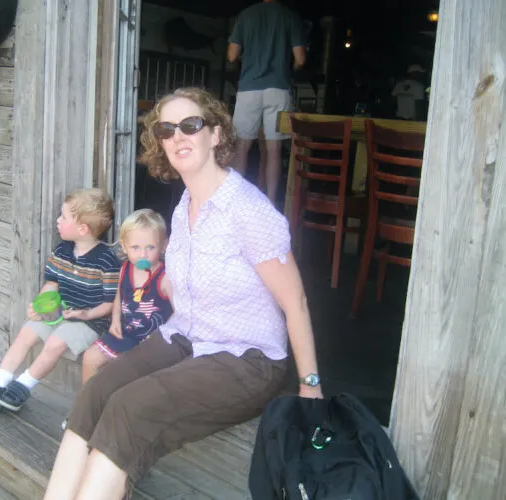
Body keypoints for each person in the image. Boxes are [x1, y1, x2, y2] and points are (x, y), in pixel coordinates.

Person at [44, 88, 323, 500]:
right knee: (97, 392)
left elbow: (295, 302)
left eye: (190, 125)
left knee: (129, 407)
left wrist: (311, 386)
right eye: (166, 129)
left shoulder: (247, 209)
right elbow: (176, 284)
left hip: (247, 357)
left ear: (214, 135)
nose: (178, 136)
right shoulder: (184, 206)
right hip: (187, 336)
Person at [0, 188, 121, 417]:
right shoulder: (62, 249)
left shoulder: (107, 261)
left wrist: (84, 314)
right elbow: (52, 282)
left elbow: (110, 302)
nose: (58, 220)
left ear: (83, 229)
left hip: (89, 321)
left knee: (55, 342)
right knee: (25, 334)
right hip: (59, 310)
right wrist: (39, 305)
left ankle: (23, 385)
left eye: (63, 217)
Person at [81, 208, 174, 384]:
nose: (143, 254)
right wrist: (115, 320)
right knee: (90, 357)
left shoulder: (165, 278)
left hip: (151, 343)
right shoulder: (125, 269)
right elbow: (119, 296)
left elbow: (180, 312)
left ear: (163, 245)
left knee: (126, 376)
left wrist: (163, 335)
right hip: (125, 332)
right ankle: (87, 402)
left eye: (150, 247)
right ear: (124, 246)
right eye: (136, 247)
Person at [227, 0, 306, 203]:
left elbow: (231, 55)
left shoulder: (246, 15)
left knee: (241, 147)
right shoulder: (290, 16)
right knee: (274, 149)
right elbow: (301, 60)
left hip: (249, 88)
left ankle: (235, 200)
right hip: (279, 89)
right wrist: (289, 69)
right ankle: (270, 202)